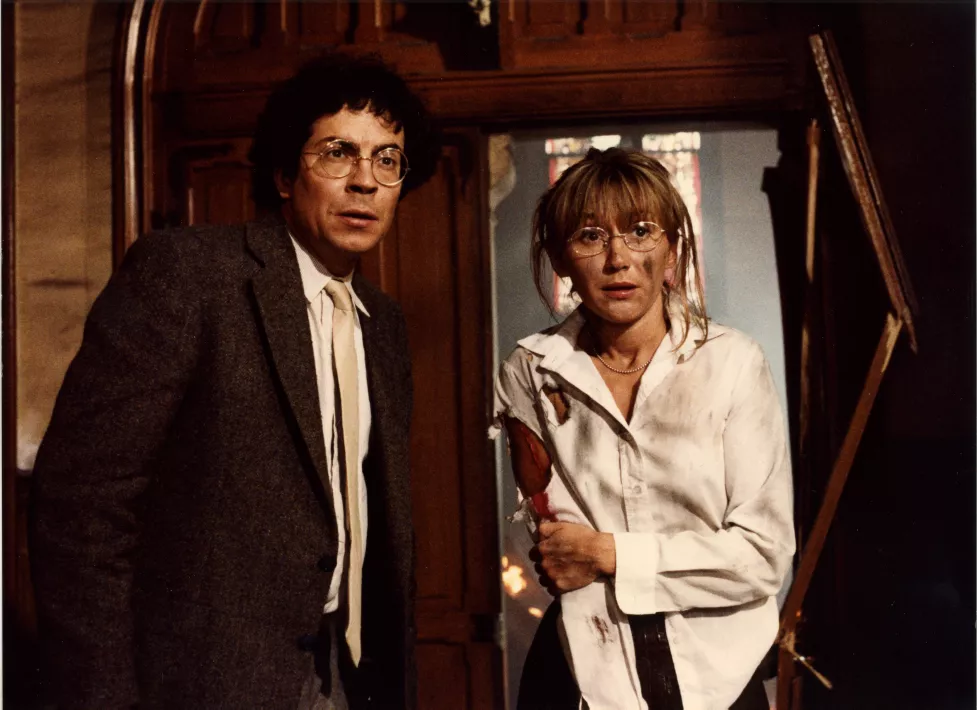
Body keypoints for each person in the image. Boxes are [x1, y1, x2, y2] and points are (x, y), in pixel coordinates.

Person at [29, 53, 439, 710]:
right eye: (337, 153)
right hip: (200, 685)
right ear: (283, 175)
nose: (365, 181)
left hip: (344, 675)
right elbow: (81, 506)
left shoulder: (381, 324)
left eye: (387, 159)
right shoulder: (189, 276)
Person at [493, 148, 795, 710]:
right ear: (559, 258)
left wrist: (609, 554)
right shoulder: (531, 372)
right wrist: (594, 556)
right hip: (587, 670)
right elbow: (560, 552)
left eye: (640, 231)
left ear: (672, 248)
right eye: (590, 236)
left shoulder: (731, 363)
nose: (618, 259)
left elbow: (762, 557)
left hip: (718, 680)